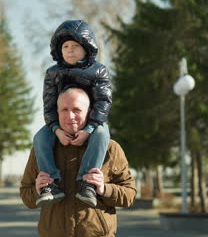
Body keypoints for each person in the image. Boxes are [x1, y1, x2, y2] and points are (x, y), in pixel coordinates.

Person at [20, 88, 136, 237]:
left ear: (89, 112)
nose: (70, 116)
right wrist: (37, 190)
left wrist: (103, 189)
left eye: (77, 110)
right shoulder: (42, 149)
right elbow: (26, 196)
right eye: (64, 110)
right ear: (56, 113)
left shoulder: (110, 148)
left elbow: (130, 195)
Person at [32, 20, 113, 208]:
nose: (69, 50)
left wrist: (90, 127)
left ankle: (88, 184)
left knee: (102, 134)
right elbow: (49, 105)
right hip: (60, 125)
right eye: (65, 46)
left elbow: (103, 101)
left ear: (87, 47)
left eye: (75, 46)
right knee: (40, 138)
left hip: (91, 123)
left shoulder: (99, 71)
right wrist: (56, 129)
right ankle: (50, 184)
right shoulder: (53, 73)